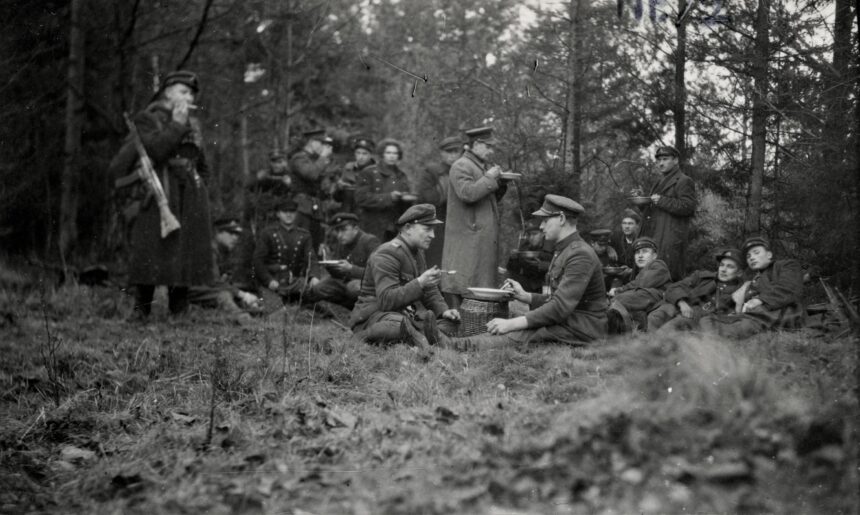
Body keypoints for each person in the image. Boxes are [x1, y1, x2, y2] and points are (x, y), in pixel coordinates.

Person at [440, 195, 607, 350]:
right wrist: (526, 296)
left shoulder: (579, 254)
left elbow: (560, 307)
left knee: (518, 332)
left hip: (582, 328)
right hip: (570, 321)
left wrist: (512, 324)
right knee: (518, 324)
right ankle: (451, 343)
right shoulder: (565, 250)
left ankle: (454, 346)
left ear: (562, 219)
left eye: (545, 220)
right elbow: (558, 299)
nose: (541, 226)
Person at [109, 70, 214, 319]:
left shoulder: (193, 123)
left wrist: (201, 188)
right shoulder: (149, 118)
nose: (188, 97)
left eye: (191, 93)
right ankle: (141, 311)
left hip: (189, 196)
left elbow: (202, 162)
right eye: (183, 91)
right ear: (168, 92)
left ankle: (179, 310)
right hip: (160, 194)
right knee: (152, 252)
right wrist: (177, 124)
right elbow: (156, 150)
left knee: (184, 253)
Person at [348, 204, 460, 349]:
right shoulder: (386, 254)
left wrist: (444, 311)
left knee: (452, 323)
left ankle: (422, 336)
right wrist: (419, 282)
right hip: (374, 316)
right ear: (407, 228)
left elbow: (430, 290)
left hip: (402, 316)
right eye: (427, 229)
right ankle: (363, 337)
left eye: (433, 229)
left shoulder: (417, 252)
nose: (432, 235)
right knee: (399, 326)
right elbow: (386, 301)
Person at [441, 126, 509, 308]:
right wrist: (489, 178)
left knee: (478, 283)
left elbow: (487, 199)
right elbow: (468, 194)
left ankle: (474, 326)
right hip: (468, 238)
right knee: (464, 283)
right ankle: (459, 325)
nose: (491, 151)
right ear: (476, 144)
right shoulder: (461, 165)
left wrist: (500, 184)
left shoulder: (480, 166)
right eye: (488, 146)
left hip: (478, 238)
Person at [700, 236, 805, 339]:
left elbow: (789, 288)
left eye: (756, 252)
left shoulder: (786, 265)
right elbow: (734, 303)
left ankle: (717, 342)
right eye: (748, 256)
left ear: (769, 254)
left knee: (732, 327)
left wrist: (760, 300)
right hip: (752, 317)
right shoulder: (752, 280)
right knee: (707, 320)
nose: (752, 257)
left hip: (776, 315)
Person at [648, 248, 745, 332]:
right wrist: (682, 303)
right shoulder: (702, 277)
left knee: (672, 327)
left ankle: (649, 348)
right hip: (681, 310)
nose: (723, 269)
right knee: (657, 316)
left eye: (730, 267)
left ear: (739, 272)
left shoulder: (740, 292)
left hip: (699, 326)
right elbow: (673, 288)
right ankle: (646, 345)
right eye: (722, 265)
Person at [253, 198, 322, 311]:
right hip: (274, 282)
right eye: (285, 212)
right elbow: (258, 261)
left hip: (295, 282)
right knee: (276, 310)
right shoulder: (268, 233)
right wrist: (268, 280)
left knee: (316, 306)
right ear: (278, 214)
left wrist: (314, 276)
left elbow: (312, 259)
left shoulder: (304, 235)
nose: (288, 215)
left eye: (292, 212)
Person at [237, 149, 294, 286]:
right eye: (274, 162)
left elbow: (296, 194)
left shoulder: (291, 176)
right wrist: (257, 179)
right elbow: (249, 187)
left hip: (285, 217)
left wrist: (290, 184)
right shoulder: (264, 175)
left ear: (285, 162)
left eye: (280, 162)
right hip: (264, 219)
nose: (277, 165)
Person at [639, 145, 696, 281]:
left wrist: (662, 200)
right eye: (659, 160)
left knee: (668, 278)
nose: (661, 163)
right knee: (651, 277)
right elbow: (654, 211)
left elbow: (688, 207)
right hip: (655, 237)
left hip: (670, 241)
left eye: (665, 159)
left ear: (676, 160)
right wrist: (642, 203)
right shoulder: (659, 182)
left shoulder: (684, 181)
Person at [187, 217, 260, 322]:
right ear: (218, 233)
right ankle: (241, 317)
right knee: (225, 295)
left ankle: (250, 311)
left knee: (237, 294)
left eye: (237, 235)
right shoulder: (208, 251)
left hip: (207, 290)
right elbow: (214, 282)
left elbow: (223, 280)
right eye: (231, 233)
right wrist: (242, 294)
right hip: (195, 291)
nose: (235, 238)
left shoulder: (222, 251)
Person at [309, 212, 381, 309]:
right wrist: (332, 267)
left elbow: (378, 272)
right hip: (347, 282)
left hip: (370, 285)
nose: (339, 235)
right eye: (337, 231)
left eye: (343, 230)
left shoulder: (370, 241)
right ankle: (350, 307)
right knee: (319, 288)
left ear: (355, 229)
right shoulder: (343, 242)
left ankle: (371, 309)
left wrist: (351, 269)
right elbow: (340, 275)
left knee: (353, 287)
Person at [414, 135, 464, 267]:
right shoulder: (432, 172)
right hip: (438, 225)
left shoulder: (466, 171)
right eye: (449, 152)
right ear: (441, 153)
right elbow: (426, 198)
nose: (452, 156)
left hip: (461, 225)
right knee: (436, 263)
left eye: (456, 152)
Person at [606, 237, 672, 333]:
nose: (640, 256)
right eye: (637, 253)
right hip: (647, 303)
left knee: (618, 301)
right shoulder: (640, 272)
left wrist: (618, 290)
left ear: (654, 255)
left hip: (660, 300)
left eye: (645, 252)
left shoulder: (658, 264)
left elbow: (644, 282)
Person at [354, 138, 414, 241]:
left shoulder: (401, 175)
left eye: (395, 153)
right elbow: (361, 198)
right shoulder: (369, 172)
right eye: (388, 152)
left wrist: (406, 199)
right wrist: (389, 197)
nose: (392, 156)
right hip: (373, 226)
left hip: (395, 226)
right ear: (382, 154)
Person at [289, 128, 334, 250]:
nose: (324, 147)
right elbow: (311, 174)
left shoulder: (316, 160)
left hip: (315, 209)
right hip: (302, 208)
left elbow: (325, 187)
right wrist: (323, 157)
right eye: (321, 143)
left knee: (314, 246)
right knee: (300, 244)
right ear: (312, 142)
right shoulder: (299, 158)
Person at [321, 137, 376, 219]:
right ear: (354, 153)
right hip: (346, 213)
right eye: (358, 153)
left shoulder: (376, 171)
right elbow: (337, 198)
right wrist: (339, 188)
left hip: (367, 215)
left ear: (370, 155)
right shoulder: (348, 167)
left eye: (365, 154)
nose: (361, 157)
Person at [505, 219, 552, 293]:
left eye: (534, 234)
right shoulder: (525, 247)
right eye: (529, 235)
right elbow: (513, 269)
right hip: (528, 284)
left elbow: (555, 264)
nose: (531, 238)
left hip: (546, 285)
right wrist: (513, 258)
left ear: (542, 234)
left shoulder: (550, 246)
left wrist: (539, 259)